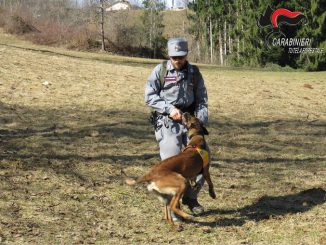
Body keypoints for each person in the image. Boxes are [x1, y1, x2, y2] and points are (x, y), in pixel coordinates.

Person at [144, 37, 209, 219]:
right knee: (171, 164)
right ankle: (173, 207)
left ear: (186, 55)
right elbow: (149, 96)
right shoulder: (160, 71)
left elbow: (202, 99)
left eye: (180, 57)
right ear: (169, 56)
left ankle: (190, 198)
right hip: (167, 123)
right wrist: (169, 109)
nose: (177, 60)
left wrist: (200, 120)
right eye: (174, 57)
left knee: (203, 161)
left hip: (190, 125)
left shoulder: (194, 72)